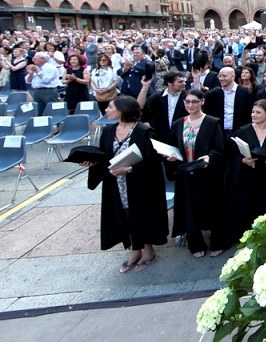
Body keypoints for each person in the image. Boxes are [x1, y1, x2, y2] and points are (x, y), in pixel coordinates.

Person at [82, 95, 168, 273]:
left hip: (139, 183)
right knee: (124, 214)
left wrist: (129, 169)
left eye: (110, 107)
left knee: (141, 214)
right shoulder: (108, 131)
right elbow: (104, 157)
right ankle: (135, 249)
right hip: (116, 183)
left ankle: (148, 251)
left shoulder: (144, 131)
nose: (106, 110)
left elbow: (153, 160)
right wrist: (91, 162)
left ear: (123, 110)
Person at [164, 89, 228, 258]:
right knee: (189, 208)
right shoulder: (178, 123)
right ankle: (195, 244)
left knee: (213, 207)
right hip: (186, 174)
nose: (191, 105)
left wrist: (210, 157)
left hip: (207, 173)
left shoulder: (212, 122)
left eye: (194, 101)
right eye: (188, 102)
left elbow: (219, 149)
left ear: (202, 102)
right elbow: (173, 146)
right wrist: (171, 157)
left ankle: (218, 242)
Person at [228, 100, 266, 242]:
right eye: (253, 112)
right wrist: (242, 160)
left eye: (258, 112)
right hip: (247, 179)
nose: (253, 114)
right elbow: (231, 154)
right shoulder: (242, 131)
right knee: (247, 209)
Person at [139, 71, 188, 142]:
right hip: (160, 138)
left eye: (184, 81)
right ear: (170, 83)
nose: (184, 84)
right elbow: (140, 106)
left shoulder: (187, 97)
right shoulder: (157, 97)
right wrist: (145, 87)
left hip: (182, 138)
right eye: (180, 82)